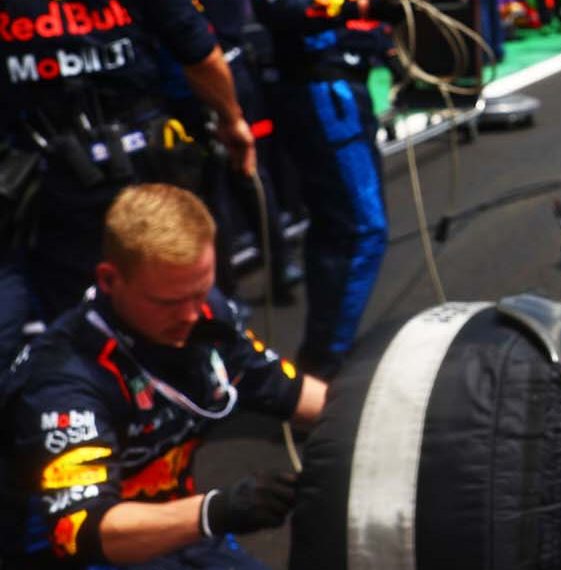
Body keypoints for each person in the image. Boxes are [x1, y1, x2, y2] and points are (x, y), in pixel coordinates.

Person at [0, 0, 253, 366]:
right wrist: (233, 120)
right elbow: (200, 54)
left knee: (62, 330)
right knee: (162, 310)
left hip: (29, 181)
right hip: (131, 171)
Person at [1, 184, 326, 569]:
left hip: (173, 524)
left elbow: (289, 391)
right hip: (80, 552)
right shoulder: (62, 381)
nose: (191, 315)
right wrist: (216, 511)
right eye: (169, 302)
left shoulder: (205, 315)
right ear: (108, 280)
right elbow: (81, 529)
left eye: (201, 292)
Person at [251, 0, 404, 379]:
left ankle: (321, 357)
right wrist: (347, 5)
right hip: (315, 84)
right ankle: (325, 369)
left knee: (338, 227)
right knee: (363, 228)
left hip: (348, 78)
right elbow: (276, 0)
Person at [133, 0, 297, 302]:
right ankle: (281, 269)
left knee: (208, 187)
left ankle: (223, 295)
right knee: (250, 169)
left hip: (198, 76)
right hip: (238, 65)